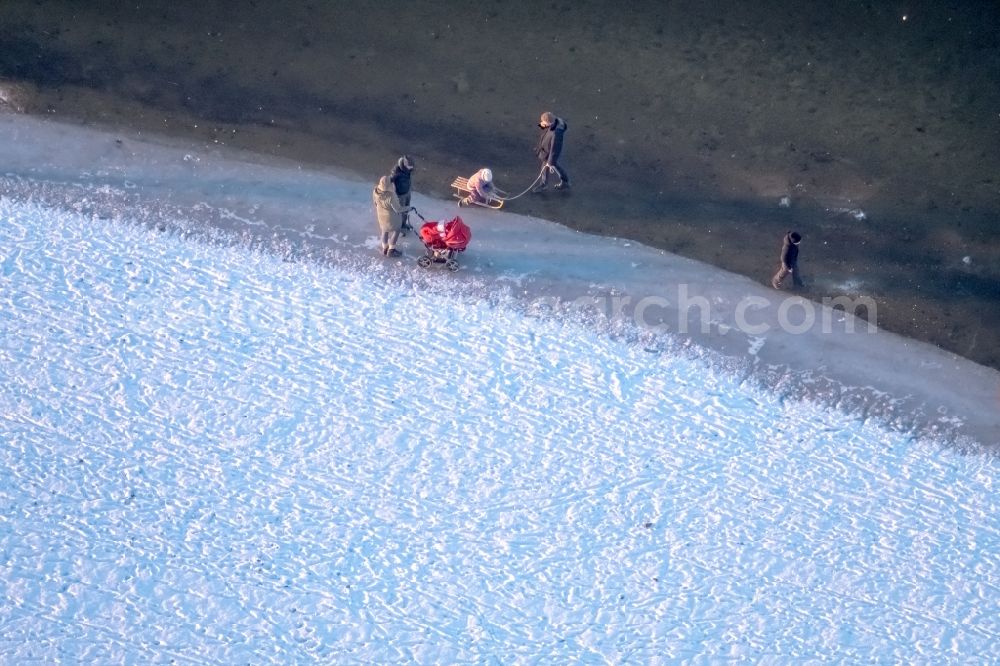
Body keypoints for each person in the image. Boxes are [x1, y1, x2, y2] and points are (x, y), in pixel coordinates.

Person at [373, 175, 410, 257]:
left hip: (381, 216)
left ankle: (384, 248)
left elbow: (375, 203)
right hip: (391, 218)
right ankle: (391, 250)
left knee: (384, 231)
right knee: (396, 231)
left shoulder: (376, 191)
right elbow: (398, 209)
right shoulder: (391, 196)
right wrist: (409, 208)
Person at [533, 111, 570, 191]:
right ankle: (564, 181)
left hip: (549, 153)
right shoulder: (554, 123)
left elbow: (555, 148)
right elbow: (547, 130)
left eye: (543, 122)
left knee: (550, 166)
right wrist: (543, 126)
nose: (541, 123)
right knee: (552, 166)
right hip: (546, 151)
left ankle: (545, 184)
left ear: (549, 123)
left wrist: (550, 161)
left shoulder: (556, 134)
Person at [389, 155, 415, 230]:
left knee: (406, 210)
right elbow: (389, 181)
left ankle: (403, 224)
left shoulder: (409, 169)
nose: (412, 168)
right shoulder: (396, 171)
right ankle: (397, 228)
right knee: (400, 212)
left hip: (407, 192)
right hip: (400, 195)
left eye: (412, 166)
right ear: (405, 164)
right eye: (410, 167)